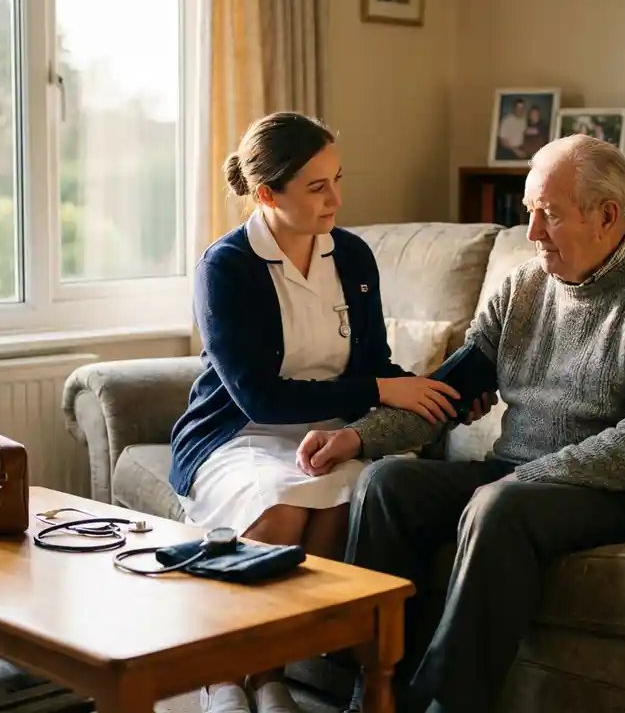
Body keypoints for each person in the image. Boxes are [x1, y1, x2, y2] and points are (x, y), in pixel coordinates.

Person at [297, 134, 625, 713]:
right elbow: (450, 389)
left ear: (608, 216)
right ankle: (372, 693)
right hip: (522, 478)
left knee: (499, 507)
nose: (533, 234)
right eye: (528, 213)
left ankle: (447, 705)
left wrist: (527, 478)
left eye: (548, 215)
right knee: (387, 484)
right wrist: (360, 436)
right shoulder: (523, 286)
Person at [169, 112, 466, 713]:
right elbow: (259, 397)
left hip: (330, 433)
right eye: (316, 186)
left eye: (337, 179)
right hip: (239, 434)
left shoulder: (352, 257)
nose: (336, 198)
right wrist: (381, 390)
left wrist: (433, 393)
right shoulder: (225, 266)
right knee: (279, 506)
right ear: (265, 194)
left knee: (343, 501)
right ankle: (227, 673)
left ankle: (269, 674)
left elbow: (374, 364)